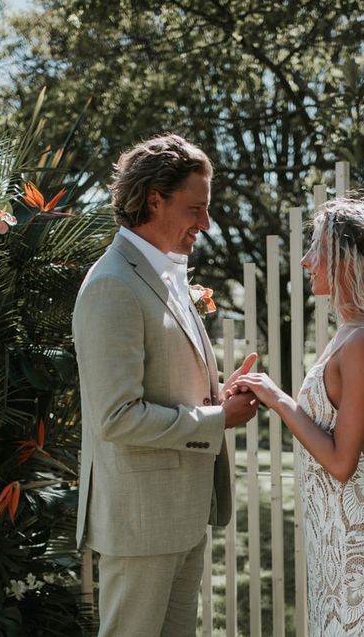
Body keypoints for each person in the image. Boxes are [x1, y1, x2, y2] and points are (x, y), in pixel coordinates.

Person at [72, 133, 258, 637]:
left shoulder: (166, 276)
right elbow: (116, 416)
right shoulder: (113, 285)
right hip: (140, 525)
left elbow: (163, 392)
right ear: (155, 199)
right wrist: (219, 419)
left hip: (181, 513)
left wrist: (218, 396)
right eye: (196, 208)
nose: (205, 223)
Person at [230, 196, 364, 636]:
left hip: (354, 534)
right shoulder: (354, 333)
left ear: (347, 260)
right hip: (341, 527)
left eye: (317, 248)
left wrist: (277, 398)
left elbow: (342, 461)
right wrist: (353, 515)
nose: (306, 259)